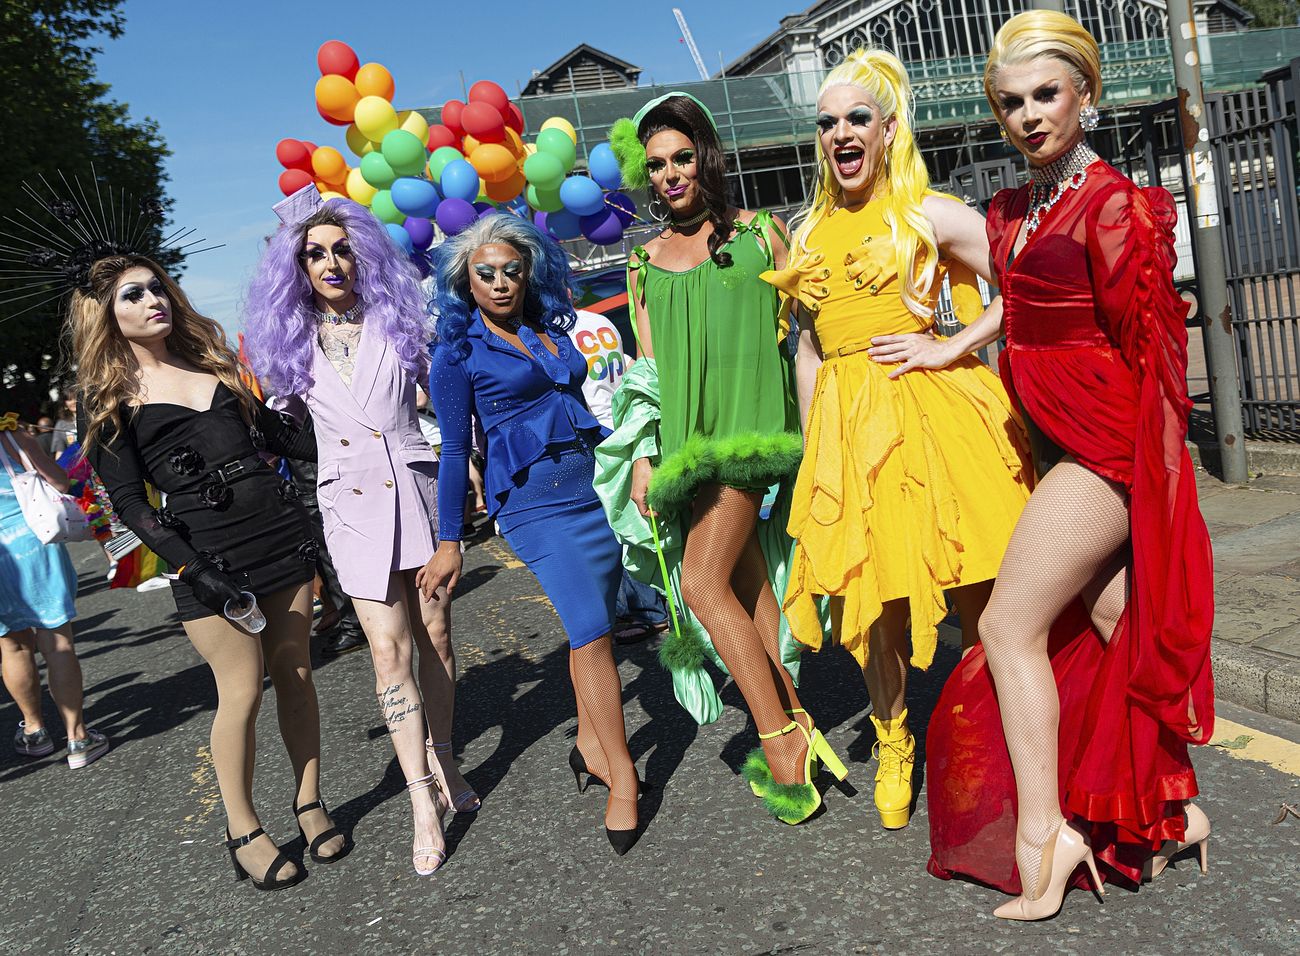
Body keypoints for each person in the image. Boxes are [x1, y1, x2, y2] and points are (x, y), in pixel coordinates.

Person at [919, 11, 1215, 920]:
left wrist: (1157, 488)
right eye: (1011, 103)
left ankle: (1045, 840)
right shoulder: (1015, 207)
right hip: (1049, 447)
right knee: (1124, 626)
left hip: (1105, 451)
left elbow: (1156, 358)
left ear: (1086, 92)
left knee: (1009, 628)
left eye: (1047, 94)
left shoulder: (1118, 204)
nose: (1030, 114)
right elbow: (1021, 299)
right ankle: (1175, 815)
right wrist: (950, 343)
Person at [760, 49, 1033, 831]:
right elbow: (807, 350)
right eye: (826, 123)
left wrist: (949, 345)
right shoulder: (805, 230)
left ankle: (992, 730)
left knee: (978, 581)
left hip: (932, 415)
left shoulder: (928, 211)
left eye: (856, 119)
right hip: (850, 426)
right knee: (874, 602)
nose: (840, 133)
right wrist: (819, 450)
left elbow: (1020, 285)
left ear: (885, 130)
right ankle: (893, 741)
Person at [601, 92, 845, 825]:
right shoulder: (641, 262)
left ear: (705, 156)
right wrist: (644, 457)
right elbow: (645, 371)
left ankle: (778, 744)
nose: (670, 174)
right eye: (656, 166)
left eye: (681, 158)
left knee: (703, 586)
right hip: (684, 452)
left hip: (750, 442)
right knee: (744, 593)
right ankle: (797, 715)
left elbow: (810, 333)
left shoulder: (763, 234)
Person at [74, 253, 349, 891]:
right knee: (242, 692)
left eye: (157, 288)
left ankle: (308, 803)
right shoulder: (113, 400)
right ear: (108, 318)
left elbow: (282, 440)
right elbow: (132, 506)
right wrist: (194, 570)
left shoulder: (212, 365)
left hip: (279, 535)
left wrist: (337, 400)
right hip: (211, 557)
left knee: (298, 675)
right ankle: (243, 829)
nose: (152, 300)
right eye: (132, 295)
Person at [244, 190, 477, 877]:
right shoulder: (286, 346)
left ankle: (448, 759)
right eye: (314, 253)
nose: (331, 261)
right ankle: (421, 804)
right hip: (348, 508)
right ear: (297, 269)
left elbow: (448, 402)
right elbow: (281, 435)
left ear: (363, 254)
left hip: (418, 490)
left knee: (435, 638)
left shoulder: (400, 319)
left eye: (342, 248)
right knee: (386, 653)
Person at [423, 214, 645, 855]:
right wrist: (449, 539)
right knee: (592, 632)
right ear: (465, 280)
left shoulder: (548, 330)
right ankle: (622, 777)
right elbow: (450, 453)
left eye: (511, 271)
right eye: (485, 273)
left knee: (593, 626)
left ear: (529, 273)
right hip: (534, 508)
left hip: (593, 490)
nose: (499, 283)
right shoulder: (457, 353)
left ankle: (585, 742)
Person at [0, 413, 109, 768]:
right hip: (34, 543)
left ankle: (34, 732)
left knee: (12, 646)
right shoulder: (12, 434)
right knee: (57, 640)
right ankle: (78, 738)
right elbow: (60, 483)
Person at [566, 305, 668, 644]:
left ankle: (645, 610)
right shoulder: (600, 321)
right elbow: (626, 365)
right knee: (636, 516)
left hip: (597, 427)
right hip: (622, 420)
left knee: (617, 523)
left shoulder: (556, 330)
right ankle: (662, 599)